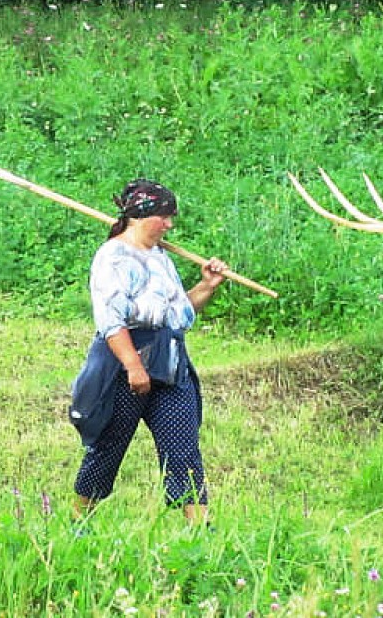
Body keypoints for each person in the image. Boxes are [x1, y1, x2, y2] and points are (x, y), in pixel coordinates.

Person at [69, 179, 228, 525]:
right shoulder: (112, 257)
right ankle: (78, 524)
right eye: (164, 217)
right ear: (141, 216)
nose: (170, 225)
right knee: (108, 448)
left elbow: (177, 314)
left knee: (184, 448)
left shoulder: (159, 256)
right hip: (127, 365)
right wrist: (132, 366)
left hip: (170, 365)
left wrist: (206, 286)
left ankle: (200, 532)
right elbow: (112, 322)